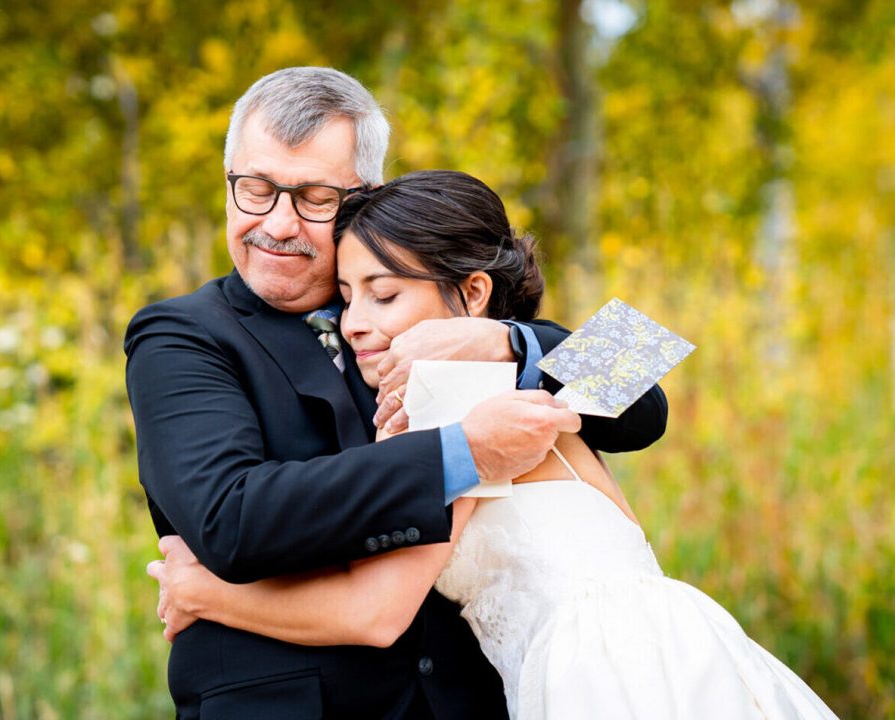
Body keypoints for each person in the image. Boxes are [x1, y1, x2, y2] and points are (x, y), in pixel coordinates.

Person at [149, 171, 839, 720]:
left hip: (596, 663)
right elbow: (632, 354)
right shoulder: (506, 381)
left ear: (474, 291)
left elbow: (375, 613)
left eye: (383, 296)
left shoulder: (454, 390)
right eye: (347, 299)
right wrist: (502, 339)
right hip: (668, 637)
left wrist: (203, 592)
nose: (356, 323)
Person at [125, 67, 668, 719]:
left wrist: (502, 342)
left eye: (315, 199)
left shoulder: (427, 306)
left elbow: (644, 401)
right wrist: (461, 452)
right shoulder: (179, 333)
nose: (278, 223)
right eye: (256, 189)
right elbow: (233, 520)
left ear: (364, 198)